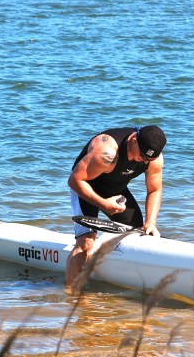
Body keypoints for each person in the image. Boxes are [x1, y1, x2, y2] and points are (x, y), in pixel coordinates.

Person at [66, 125, 167, 293]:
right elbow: (74, 181)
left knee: (138, 234)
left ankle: (110, 263)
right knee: (86, 242)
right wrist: (103, 204)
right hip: (86, 186)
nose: (144, 161)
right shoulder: (106, 152)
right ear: (134, 140)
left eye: (148, 159)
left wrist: (151, 222)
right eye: (142, 156)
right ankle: (73, 296)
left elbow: (155, 189)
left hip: (115, 189)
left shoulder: (153, 158)